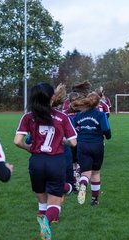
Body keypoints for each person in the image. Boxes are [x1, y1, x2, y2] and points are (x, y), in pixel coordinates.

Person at [14, 83, 77, 240]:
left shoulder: (28, 116)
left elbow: (17, 141)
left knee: (42, 203)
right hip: (55, 161)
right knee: (54, 204)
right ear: (52, 97)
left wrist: (29, 148)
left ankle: (44, 226)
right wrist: (62, 141)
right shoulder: (62, 117)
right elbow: (74, 142)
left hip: (36, 162)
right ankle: (46, 222)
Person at [72, 92, 112, 206]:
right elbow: (106, 129)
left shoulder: (79, 115)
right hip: (97, 145)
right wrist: (108, 136)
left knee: (85, 172)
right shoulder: (100, 115)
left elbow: (73, 129)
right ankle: (94, 200)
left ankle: (83, 185)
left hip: (82, 145)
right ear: (98, 103)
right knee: (95, 173)